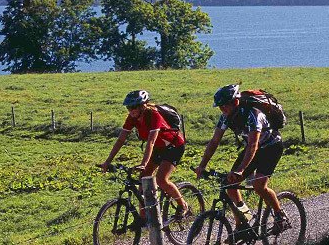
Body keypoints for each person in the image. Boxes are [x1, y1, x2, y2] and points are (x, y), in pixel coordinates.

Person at [194, 84, 291, 237]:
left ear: (235, 102)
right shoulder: (226, 117)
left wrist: (240, 169)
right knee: (230, 185)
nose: (222, 110)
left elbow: (253, 144)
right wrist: (202, 165)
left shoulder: (254, 114)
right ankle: (244, 223)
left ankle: (280, 216)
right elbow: (214, 142)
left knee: (259, 186)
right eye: (220, 107)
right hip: (252, 149)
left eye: (225, 106)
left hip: (271, 147)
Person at [99, 90, 190, 226]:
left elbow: (151, 141)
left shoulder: (154, 115)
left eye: (134, 107)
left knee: (161, 179)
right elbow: (120, 140)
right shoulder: (132, 118)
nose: (131, 110)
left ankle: (183, 205)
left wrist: (144, 163)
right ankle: (143, 219)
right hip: (158, 148)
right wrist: (107, 161)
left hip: (173, 146)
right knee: (143, 178)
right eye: (128, 107)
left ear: (143, 106)